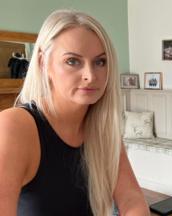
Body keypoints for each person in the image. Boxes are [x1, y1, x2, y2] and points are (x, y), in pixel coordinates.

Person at [0, 9, 150, 216]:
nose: (90, 75)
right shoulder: (14, 126)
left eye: (100, 62)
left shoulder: (103, 129)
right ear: (44, 63)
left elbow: (132, 198)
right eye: (72, 61)